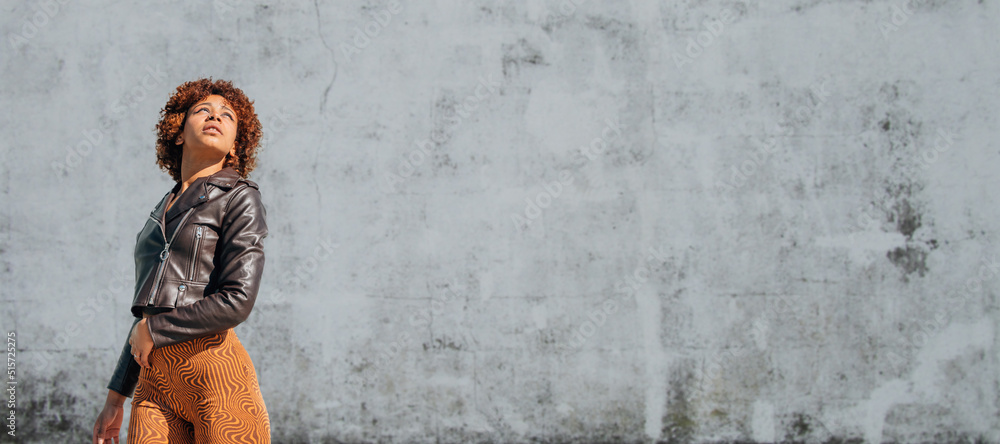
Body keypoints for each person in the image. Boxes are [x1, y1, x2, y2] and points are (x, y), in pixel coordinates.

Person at [92, 78, 271, 443]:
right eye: (202, 110)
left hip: (214, 374)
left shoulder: (240, 199)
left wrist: (155, 331)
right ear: (177, 132)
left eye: (227, 115)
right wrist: (115, 398)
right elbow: (147, 314)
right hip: (154, 383)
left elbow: (238, 299)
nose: (215, 116)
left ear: (236, 144)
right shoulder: (159, 211)